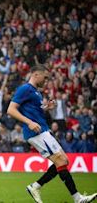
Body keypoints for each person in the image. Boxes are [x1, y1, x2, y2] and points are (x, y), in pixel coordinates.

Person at [7, 65, 96, 203]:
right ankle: (77, 198)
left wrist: (46, 107)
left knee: (64, 161)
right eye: (45, 77)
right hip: (35, 132)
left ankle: (35, 186)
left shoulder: (36, 92)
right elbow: (11, 110)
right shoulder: (25, 89)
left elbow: (35, 110)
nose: (47, 80)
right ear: (36, 74)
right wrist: (29, 122)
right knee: (60, 161)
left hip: (43, 129)